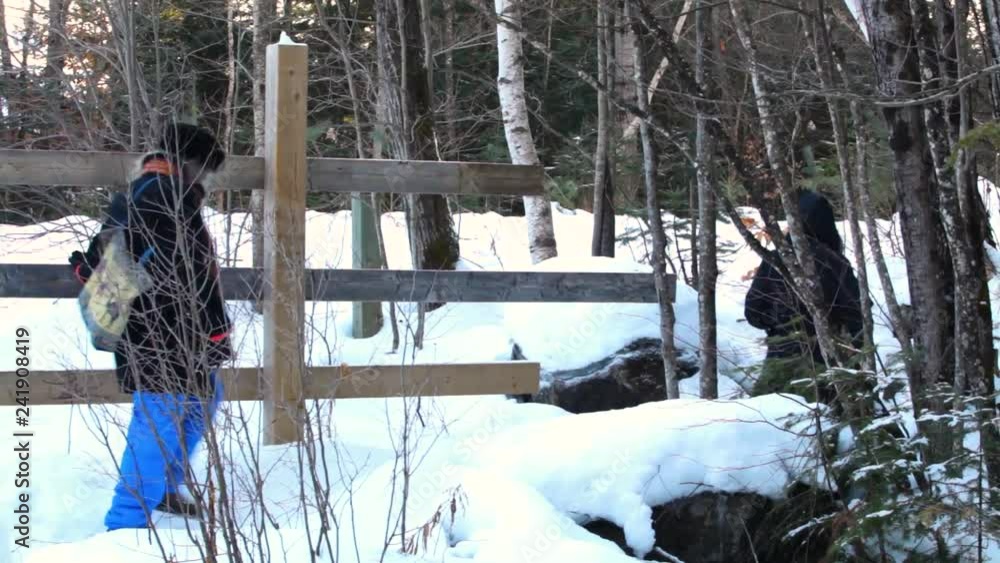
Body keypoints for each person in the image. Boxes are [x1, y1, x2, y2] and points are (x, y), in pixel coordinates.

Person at [69, 123, 232, 530]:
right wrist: (216, 331)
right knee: (158, 418)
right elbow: (192, 273)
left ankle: (162, 490)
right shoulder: (169, 197)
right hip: (167, 330)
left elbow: (99, 257)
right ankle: (126, 520)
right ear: (191, 164)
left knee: (202, 398)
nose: (209, 181)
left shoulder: (138, 192)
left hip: (148, 326)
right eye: (208, 170)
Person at [744, 189, 864, 399]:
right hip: (828, 365)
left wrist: (780, 323)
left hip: (781, 363)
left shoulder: (777, 259)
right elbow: (856, 314)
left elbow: (754, 311)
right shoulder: (834, 262)